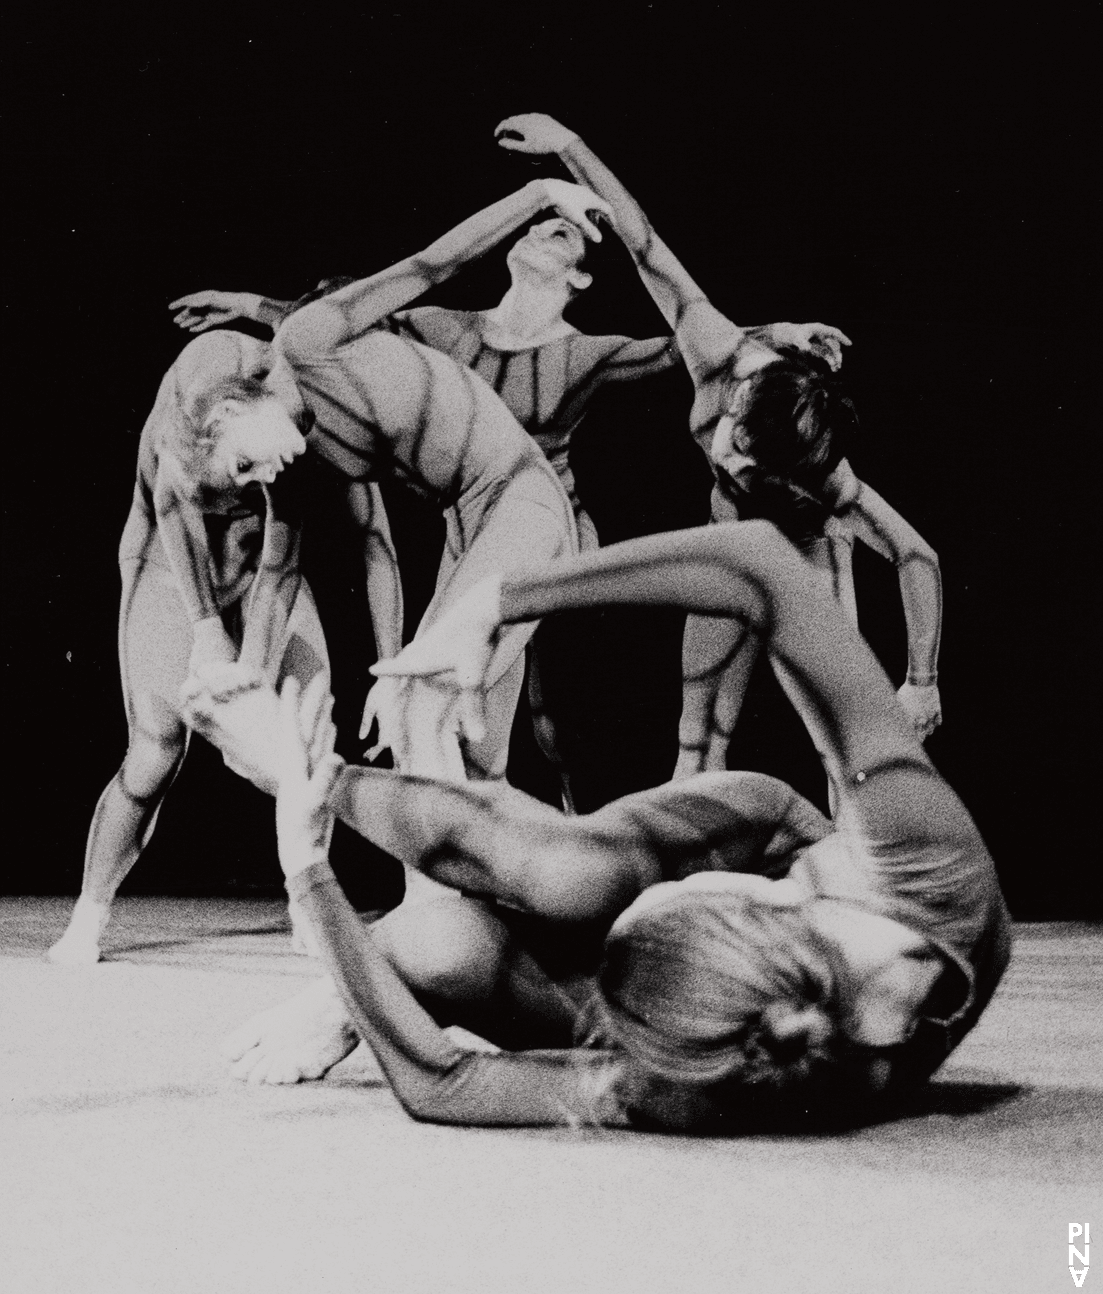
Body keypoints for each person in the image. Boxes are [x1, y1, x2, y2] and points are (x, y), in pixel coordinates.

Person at [184, 520, 1009, 1133]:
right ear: (764, 906)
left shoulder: (716, 1069)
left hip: (755, 964)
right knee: (571, 876)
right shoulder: (925, 856)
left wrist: (308, 870)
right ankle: (308, 776)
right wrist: (497, 604)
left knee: (442, 946)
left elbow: (447, 1085)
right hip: (770, 833)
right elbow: (761, 562)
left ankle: (307, 825)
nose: (602, 931)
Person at [170, 173, 682, 805]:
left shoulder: (305, 344)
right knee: (470, 748)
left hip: (523, 500)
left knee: (422, 697)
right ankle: (480, 890)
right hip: (465, 530)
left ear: (230, 411)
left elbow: (432, 265)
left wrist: (542, 193)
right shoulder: (294, 459)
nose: (263, 479)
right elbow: (278, 572)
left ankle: (454, 893)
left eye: (245, 464)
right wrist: (246, 677)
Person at [492, 115, 943, 778]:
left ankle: (868, 861)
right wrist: (569, 146)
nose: (730, 460)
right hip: (726, 546)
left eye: (752, 464)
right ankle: (691, 868)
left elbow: (914, 552)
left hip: (805, 562)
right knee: (698, 735)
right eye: (735, 442)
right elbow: (644, 242)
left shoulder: (825, 476)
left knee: (846, 745)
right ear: (737, 399)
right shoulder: (716, 349)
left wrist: (922, 680)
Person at [48, 330, 331, 965]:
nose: (265, 476)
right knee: (154, 747)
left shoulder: (283, 421)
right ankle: (89, 916)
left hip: (261, 570)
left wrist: (252, 676)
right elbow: (184, 560)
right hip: (168, 573)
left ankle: (310, 902)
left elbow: (281, 570)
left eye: (256, 466)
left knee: (306, 736)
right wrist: (207, 637)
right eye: (243, 472)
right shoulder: (176, 446)